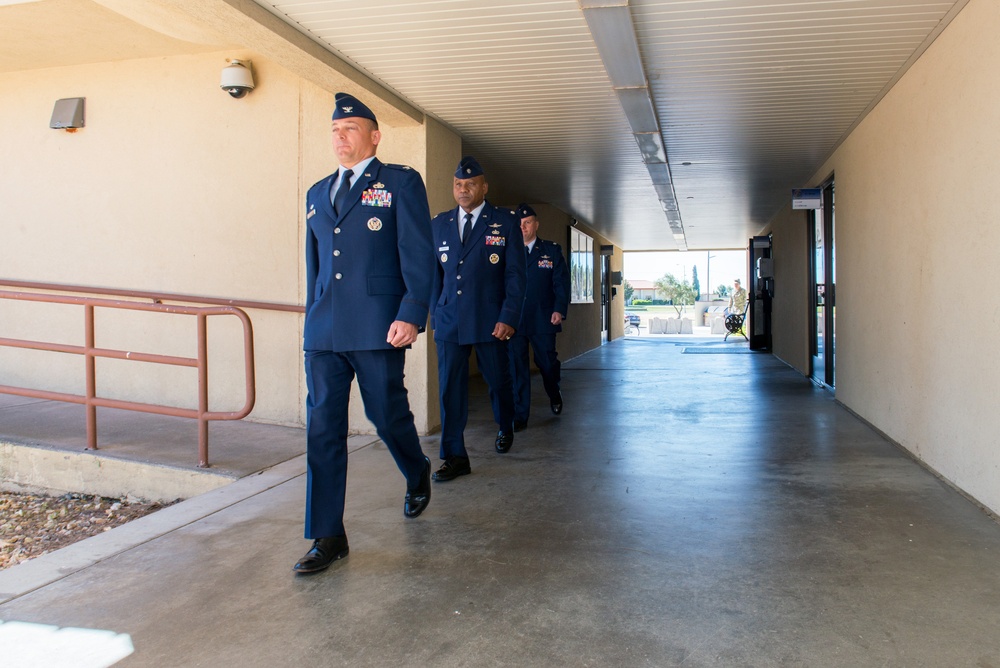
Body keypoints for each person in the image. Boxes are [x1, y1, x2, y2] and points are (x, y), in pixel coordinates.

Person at [294, 92, 435, 574]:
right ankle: (327, 536)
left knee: (386, 413)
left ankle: (417, 470)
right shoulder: (317, 193)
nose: (340, 136)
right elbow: (316, 269)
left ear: (374, 136)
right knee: (323, 430)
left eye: (350, 128)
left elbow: (418, 253)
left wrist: (412, 312)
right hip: (325, 333)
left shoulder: (399, 182)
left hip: (378, 327)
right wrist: (313, 316)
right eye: (335, 129)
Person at [429, 156, 526, 481]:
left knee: (498, 380)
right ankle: (455, 456)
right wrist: (435, 315)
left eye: (470, 184)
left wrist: (509, 315)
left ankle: (505, 424)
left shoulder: (504, 221)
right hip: (450, 322)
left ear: (484, 187)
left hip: (490, 320)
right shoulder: (439, 223)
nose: (463, 189)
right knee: (450, 390)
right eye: (458, 184)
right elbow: (434, 278)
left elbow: (515, 274)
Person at [508, 203, 570, 431]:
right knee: (517, 368)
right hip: (513, 319)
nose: (523, 227)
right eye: (520, 224)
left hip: (543, 317)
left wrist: (559, 308)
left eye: (527, 223)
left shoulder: (551, 250)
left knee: (546, 363)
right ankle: (520, 415)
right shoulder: (508, 250)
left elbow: (561, 282)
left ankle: (554, 393)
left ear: (536, 224)